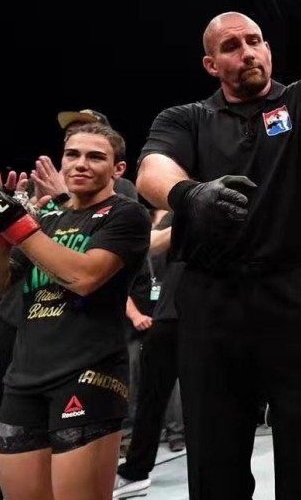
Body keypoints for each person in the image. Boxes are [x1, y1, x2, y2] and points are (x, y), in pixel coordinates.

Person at [135, 11, 301, 499]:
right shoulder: (186, 118)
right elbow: (152, 170)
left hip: (299, 294)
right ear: (211, 64)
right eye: (231, 46)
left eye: (255, 41)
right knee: (214, 453)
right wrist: (189, 195)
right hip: (212, 300)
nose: (247, 52)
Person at [0, 123, 151, 500]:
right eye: (72, 155)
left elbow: (83, 277)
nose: (80, 164)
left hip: (88, 375)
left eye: (96, 157)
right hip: (24, 378)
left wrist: (18, 225)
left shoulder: (125, 215)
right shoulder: (44, 219)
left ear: (118, 170)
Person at [113, 211, 185, 499]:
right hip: (167, 317)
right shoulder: (181, 212)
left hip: (209, 313)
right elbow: (152, 243)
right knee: (150, 398)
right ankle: (135, 470)